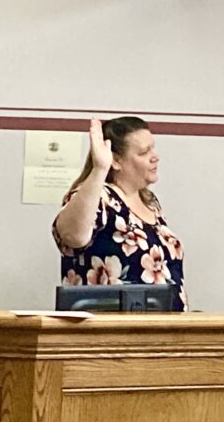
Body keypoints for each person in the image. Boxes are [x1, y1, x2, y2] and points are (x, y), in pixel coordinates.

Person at [52, 117, 187, 311]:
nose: (155, 157)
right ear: (116, 160)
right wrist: (99, 169)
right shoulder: (100, 197)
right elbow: (73, 236)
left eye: (152, 148)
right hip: (111, 332)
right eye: (143, 152)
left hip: (163, 331)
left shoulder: (150, 201)